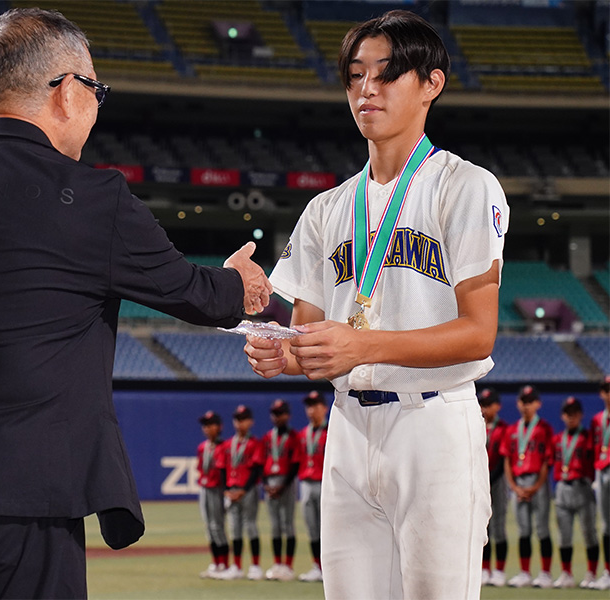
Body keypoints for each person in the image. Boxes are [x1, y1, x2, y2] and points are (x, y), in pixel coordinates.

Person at [0, 8, 272, 600]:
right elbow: (197, 295)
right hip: (20, 500)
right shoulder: (92, 198)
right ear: (65, 91)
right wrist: (242, 282)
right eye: (96, 90)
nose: (96, 106)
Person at [243, 9, 507, 599]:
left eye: (386, 73)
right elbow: (308, 340)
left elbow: (479, 334)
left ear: (431, 83)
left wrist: (360, 344)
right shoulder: (327, 209)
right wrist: (278, 352)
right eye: (355, 75)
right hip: (349, 428)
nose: (366, 88)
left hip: (432, 421)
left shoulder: (465, 186)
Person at [501, 385, 555, 589]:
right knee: (523, 530)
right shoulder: (512, 430)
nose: (526, 405)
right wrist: (514, 486)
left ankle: (546, 573)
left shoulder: (544, 428)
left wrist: (536, 486)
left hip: (537, 483)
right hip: (518, 482)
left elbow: (546, 461)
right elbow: (507, 459)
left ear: (538, 404)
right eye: (523, 401)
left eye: (530, 401)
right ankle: (524, 572)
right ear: (517, 403)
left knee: (542, 529)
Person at [551, 396, 599, 589]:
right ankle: (566, 573)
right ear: (563, 416)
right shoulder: (558, 439)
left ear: (581, 415)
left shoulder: (587, 438)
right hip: (563, 487)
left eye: (574, 413)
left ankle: (591, 574)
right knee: (564, 534)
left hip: (582, 487)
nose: (571, 417)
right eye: (567, 414)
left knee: (589, 533)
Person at [215, 405, 264, 580]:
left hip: (247, 490)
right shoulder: (228, 445)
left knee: (250, 526)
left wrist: (244, 489)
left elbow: (257, 469)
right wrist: (227, 490)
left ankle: (256, 566)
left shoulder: (254, 443)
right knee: (234, 530)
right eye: (237, 419)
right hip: (232, 489)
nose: (239, 423)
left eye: (243, 419)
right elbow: (221, 469)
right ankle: (236, 566)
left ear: (250, 422)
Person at [261, 398, 300, 582]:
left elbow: (295, 463)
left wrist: (282, 486)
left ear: (288, 415)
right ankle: (277, 564)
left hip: (286, 483)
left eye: (281, 413)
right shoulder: (268, 437)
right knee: (275, 526)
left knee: (288, 524)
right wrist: (267, 485)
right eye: (275, 414)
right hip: (270, 484)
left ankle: (289, 566)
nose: (277, 417)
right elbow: (262, 463)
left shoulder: (293, 437)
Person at [296, 390, 328, 583]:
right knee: (312, 528)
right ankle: (317, 566)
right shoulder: (303, 434)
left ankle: (329, 568)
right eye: (309, 406)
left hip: (325, 483)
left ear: (324, 408)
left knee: (328, 528)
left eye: (315, 405)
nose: (311, 410)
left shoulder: (332, 430)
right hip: (306, 483)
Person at [479, 387, 509, 587]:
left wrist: (490, 478)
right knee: (483, 527)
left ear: (497, 406)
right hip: (480, 480)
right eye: (482, 404)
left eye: (489, 405)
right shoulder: (476, 425)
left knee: (498, 526)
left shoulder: (503, 429)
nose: (484, 408)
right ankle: (484, 569)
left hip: (496, 480)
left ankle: (499, 570)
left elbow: (503, 457)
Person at [196, 410, 229, 579]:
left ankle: (225, 564)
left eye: (211, 425)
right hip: (205, 488)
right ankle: (215, 563)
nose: (207, 428)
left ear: (219, 427)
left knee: (218, 526)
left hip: (217, 489)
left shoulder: (224, 447)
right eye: (205, 425)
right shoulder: (203, 447)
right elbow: (201, 467)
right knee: (209, 526)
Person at [589, 375, 610, 590]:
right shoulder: (597, 420)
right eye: (606, 389)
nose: (608, 393)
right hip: (602, 471)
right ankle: (607, 572)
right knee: (606, 524)